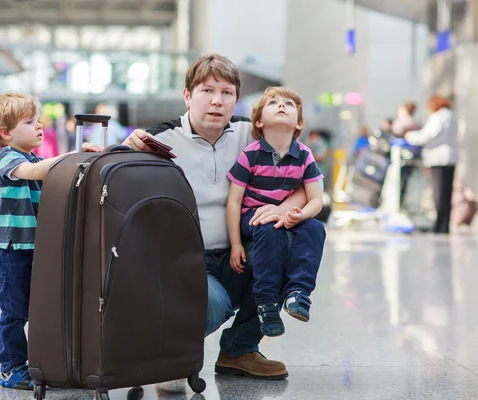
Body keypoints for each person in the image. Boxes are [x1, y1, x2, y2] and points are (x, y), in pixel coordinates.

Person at [119, 54, 308, 380]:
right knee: (213, 302)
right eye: (207, 91)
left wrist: (283, 207)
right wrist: (124, 147)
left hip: (236, 254)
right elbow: (115, 183)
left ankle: (239, 350)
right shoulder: (159, 140)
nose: (217, 101)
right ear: (188, 96)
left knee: (291, 241)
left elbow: (307, 180)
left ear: (237, 99)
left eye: (227, 93)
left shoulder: (252, 135)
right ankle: (170, 353)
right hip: (179, 262)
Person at [0, 92, 98, 390]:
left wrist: (84, 158)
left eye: (38, 121)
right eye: (29, 122)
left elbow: (54, 173)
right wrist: (72, 157)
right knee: (14, 312)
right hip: (11, 252)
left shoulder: (34, 157)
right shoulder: (8, 159)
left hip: (36, 249)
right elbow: (35, 172)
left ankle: (38, 362)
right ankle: (11, 368)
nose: (38, 127)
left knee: (40, 308)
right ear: (5, 133)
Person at [226, 87, 326, 337]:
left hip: (287, 215)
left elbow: (316, 199)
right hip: (253, 216)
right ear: (259, 121)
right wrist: (236, 244)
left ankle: (298, 293)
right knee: (269, 229)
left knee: (315, 228)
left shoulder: (304, 155)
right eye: (273, 103)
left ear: (299, 122)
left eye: (289, 104)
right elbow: (234, 202)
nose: (281, 105)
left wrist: (300, 215)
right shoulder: (250, 155)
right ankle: (267, 303)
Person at [405, 94, 458, 234]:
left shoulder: (438, 117)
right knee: (446, 195)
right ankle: (444, 226)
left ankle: (440, 227)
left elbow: (428, 135)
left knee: (439, 195)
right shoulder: (451, 116)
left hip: (438, 159)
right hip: (450, 159)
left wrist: (410, 137)